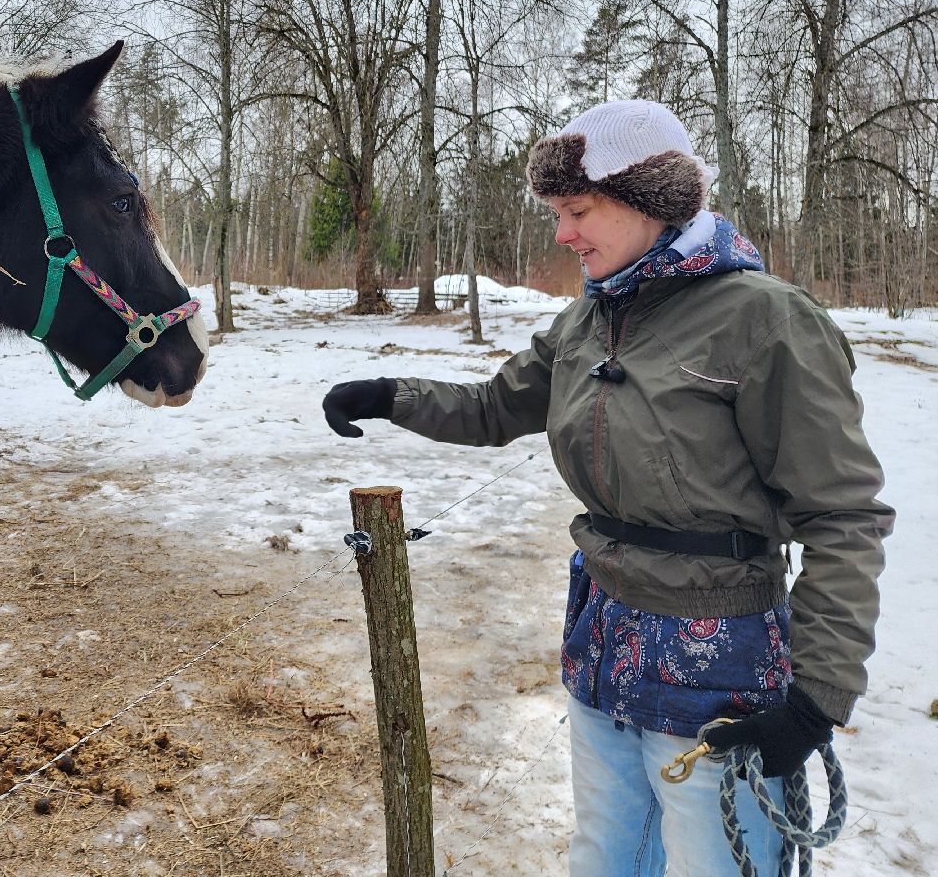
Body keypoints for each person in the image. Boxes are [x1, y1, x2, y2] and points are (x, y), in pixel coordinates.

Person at [322, 100, 892, 877]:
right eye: (558, 212)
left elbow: (844, 517)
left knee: (715, 866)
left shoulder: (766, 320)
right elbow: (497, 405)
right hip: (603, 638)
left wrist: (816, 698)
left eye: (577, 210)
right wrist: (389, 394)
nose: (563, 234)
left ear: (650, 201)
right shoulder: (592, 316)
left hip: (717, 662)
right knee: (606, 855)